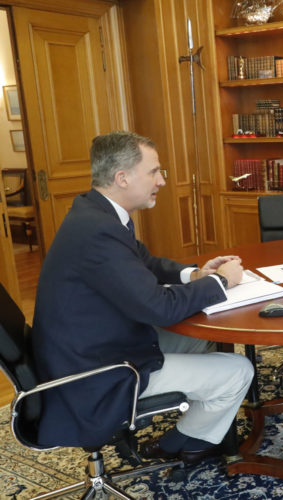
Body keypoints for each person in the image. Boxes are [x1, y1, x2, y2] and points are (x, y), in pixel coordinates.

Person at [32, 131, 254, 465]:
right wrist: (221, 282)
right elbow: (160, 308)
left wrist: (194, 275)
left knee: (205, 340)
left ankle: (174, 422)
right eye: (154, 172)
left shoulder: (95, 212)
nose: (162, 181)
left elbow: (146, 263)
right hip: (97, 371)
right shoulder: (99, 231)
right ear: (122, 177)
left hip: (89, 347)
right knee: (239, 369)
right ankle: (178, 446)